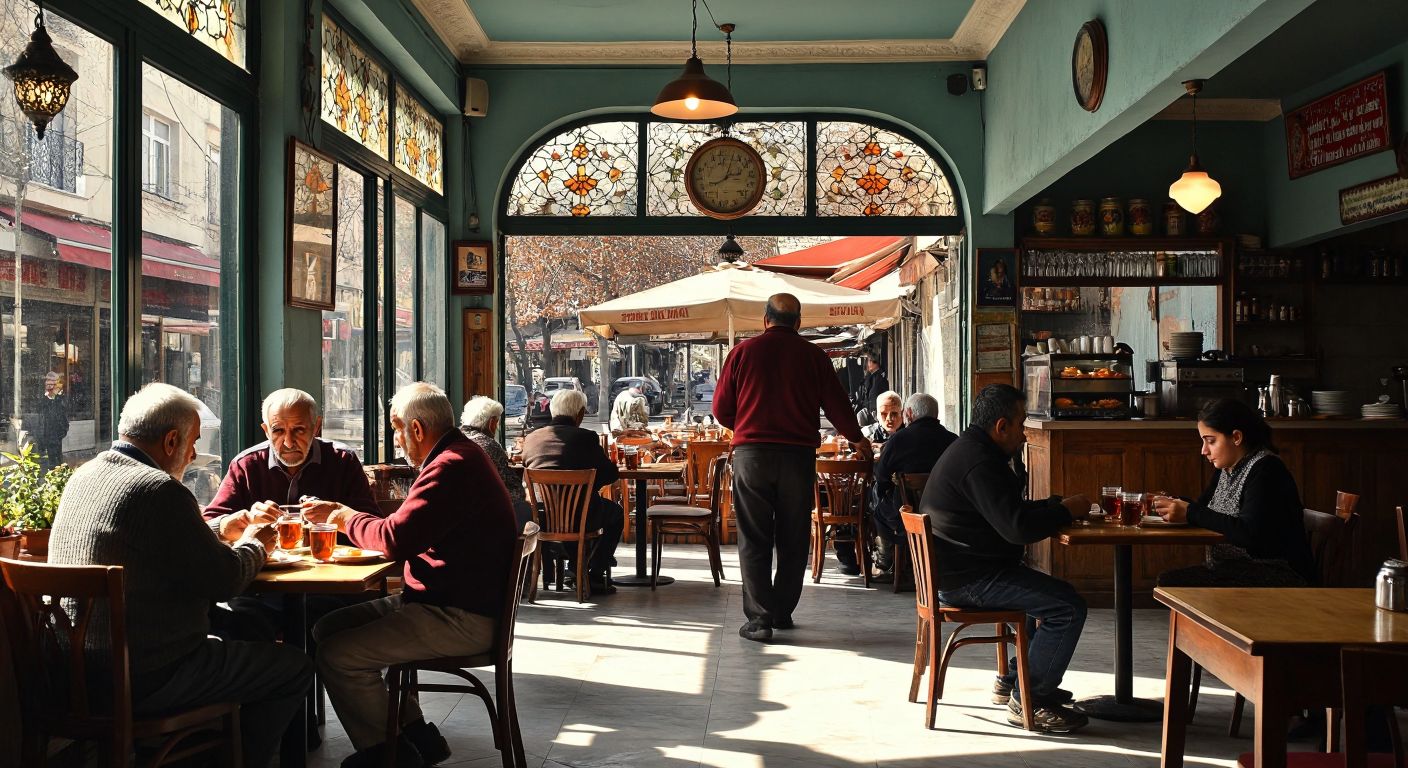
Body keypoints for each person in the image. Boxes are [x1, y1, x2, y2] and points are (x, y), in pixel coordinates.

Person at [48, 383, 312, 768]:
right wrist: (257, 542)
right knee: (294, 667)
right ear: (171, 440)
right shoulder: (159, 489)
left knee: (250, 626)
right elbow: (224, 580)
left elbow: (153, 541)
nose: (193, 454)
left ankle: (201, 749)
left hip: (71, 675)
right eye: (193, 443)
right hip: (146, 678)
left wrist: (220, 529)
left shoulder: (84, 476)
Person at [307, 382, 516, 768]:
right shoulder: (460, 455)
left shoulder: (450, 466)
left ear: (416, 429)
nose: (396, 440)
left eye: (396, 429)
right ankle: (417, 735)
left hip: (460, 616)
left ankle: (391, 756)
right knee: (326, 628)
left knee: (338, 656)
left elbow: (393, 538)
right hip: (452, 603)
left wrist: (341, 517)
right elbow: (405, 531)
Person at [920, 384, 1090, 733]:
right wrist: (1064, 513)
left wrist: (1054, 506)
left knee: (1040, 595)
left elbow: (1007, 512)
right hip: (970, 581)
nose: (1025, 434)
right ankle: (1032, 699)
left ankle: (1015, 681)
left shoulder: (972, 450)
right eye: (1022, 425)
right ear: (1001, 426)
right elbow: (1016, 529)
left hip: (965, 572)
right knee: (1067, 607)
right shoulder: (979, 462)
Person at [713, 293, 870, 642]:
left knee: (754, 537)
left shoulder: (742, 353)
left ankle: (759, 620)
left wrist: (748, 423)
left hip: (752, 456)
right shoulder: (814, 356)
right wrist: (857, 439)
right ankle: (782, 611)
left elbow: (721, 410)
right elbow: (837, 407)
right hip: (797, 458)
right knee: (793, 536)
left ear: (765, 319)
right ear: (798, 323)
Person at [202, 388, 381, 645]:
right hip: (263, 589)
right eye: (278, 431)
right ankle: (285, 678)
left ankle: (302, 677)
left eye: (299, 430)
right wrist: (247, 522)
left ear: (316, 426)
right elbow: (211, 526)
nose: (288, 442)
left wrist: (337, 515)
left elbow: (372, 524)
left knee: (322, 620)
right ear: (265, 430)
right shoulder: (247, 465)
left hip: (330, 587)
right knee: (247, 624)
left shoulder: (341, 461)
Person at [1151, 398, 1314, 586]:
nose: (1204, 450)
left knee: (1172, 582)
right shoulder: (1226, 469)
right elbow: (1203, 511)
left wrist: (1190, 512)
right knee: (1171, 580)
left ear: (1236, 437)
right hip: (1233, 569)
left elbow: (1249, 533)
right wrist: (1171, 504)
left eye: (1210, 441)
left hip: (1275, 572)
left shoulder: (1266, 470)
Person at [520, 389, 625, 594]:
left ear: (552, 411)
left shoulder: (532, 439)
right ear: (580, 414)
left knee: (591, 510)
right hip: (581, 517)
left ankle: (575, 569)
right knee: (615, 514)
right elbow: (610, 475)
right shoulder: (586, 438)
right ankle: (593, 572)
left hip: (541, 518)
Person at [870, 392, 958, 579]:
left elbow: (880, 475)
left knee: (878, 507)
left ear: (908, 413)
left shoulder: (899, 440)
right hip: (945, 516)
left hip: (904, 514)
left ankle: (886, 558)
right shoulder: (953, 441)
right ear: (935, 415)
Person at [461, 395, 534, 530]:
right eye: (497, 423)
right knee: (527, 508)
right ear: (492, 423)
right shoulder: (489, 445)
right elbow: (513, 487)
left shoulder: (456, 439)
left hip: (461, 513)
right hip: (488, 514)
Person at [32, 371, 69, 470]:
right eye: (48, 383)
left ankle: (57, 470)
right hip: (45, 430)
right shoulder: (43, 397)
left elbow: (63, 412)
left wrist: (56, 395)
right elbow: (39, 410)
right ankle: (53, 470)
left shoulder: (60, 398)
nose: (50, 386)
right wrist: (48, 395)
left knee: (56, 453)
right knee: (47, 454)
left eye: (52, 383)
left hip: (56, 431)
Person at [851, 354, 890, 426]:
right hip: (869, 412)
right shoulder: (871, 377)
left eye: (869, 361)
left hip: (876, 414)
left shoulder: (880, 378)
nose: (867, 364)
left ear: (875, 363)